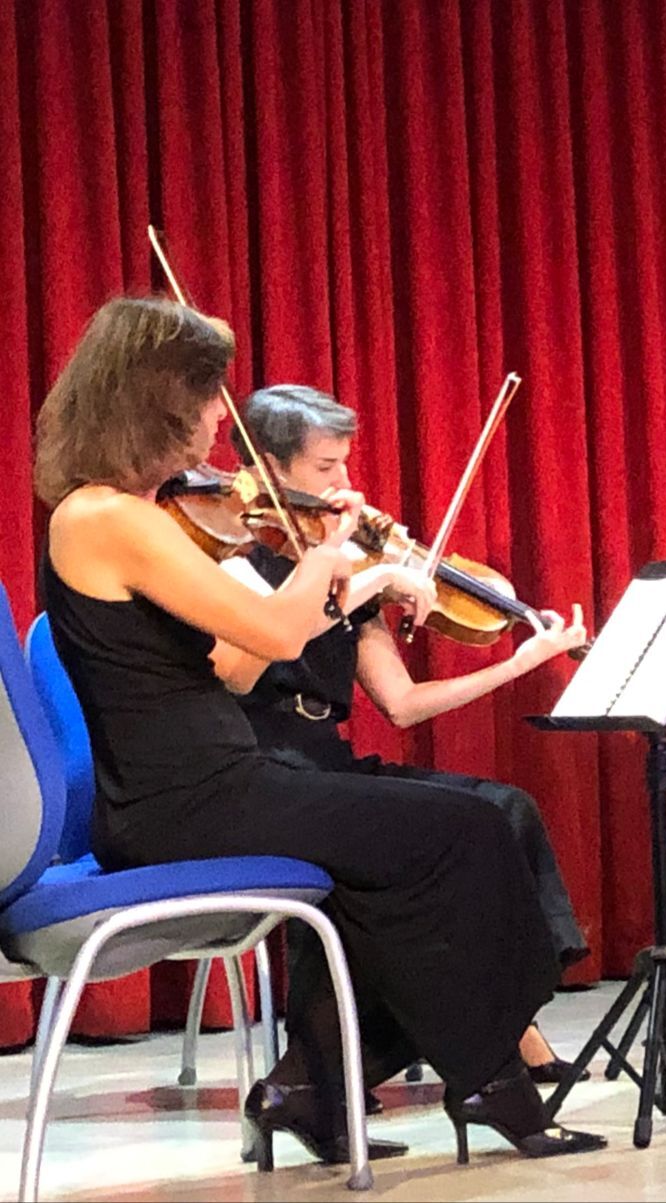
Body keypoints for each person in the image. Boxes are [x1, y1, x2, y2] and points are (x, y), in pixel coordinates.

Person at [32, 295, 604, 1163]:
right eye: (208, 396)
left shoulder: (128, 514)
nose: (222, 418)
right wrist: (331, 561)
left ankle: (323, 1088)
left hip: (208, 784)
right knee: (468, 830)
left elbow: (227, 661)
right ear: (154, 398)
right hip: (190, 799)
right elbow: (277, 634)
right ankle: (489, 1081)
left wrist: (322, 567)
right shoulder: (109, 517)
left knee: (418, 854)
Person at [211, 384, 590, 1085]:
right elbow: (239, 670)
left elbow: (405, 703)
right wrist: (355, 579)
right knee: (451, 834)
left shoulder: (347, 567)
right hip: (269, 768)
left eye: (346, 466)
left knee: (506, 806)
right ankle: (480, 1045)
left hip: (330, 760)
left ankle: (509, 1022)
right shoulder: (239, 565)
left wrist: (518, 664)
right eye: (326, 468)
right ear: (270, 469)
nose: (346, 486)